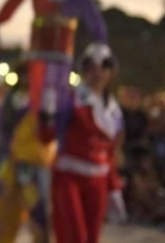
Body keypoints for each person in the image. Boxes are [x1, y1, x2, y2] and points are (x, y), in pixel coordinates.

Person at [39, 43, 126, 243]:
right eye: (91, 66)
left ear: (111, 72)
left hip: (98, 181)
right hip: (69, 176)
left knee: (92, 237)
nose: (97, 72)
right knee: (75, 236)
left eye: (104, 66)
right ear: (84, 70)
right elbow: (46, 136)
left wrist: (113, 187)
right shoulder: (71, 100)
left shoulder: (114, 110)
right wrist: (47, 115)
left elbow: (112, 153)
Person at [0, 62, 55, 243]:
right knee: (1, 212)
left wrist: (47, 117)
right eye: (23, 75)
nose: (26, 79)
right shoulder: (10, 99)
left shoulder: (43, 102)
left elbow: (49, 135)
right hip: (10, 163)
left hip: (33, 165)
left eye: (30, 75)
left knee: (38, 215)